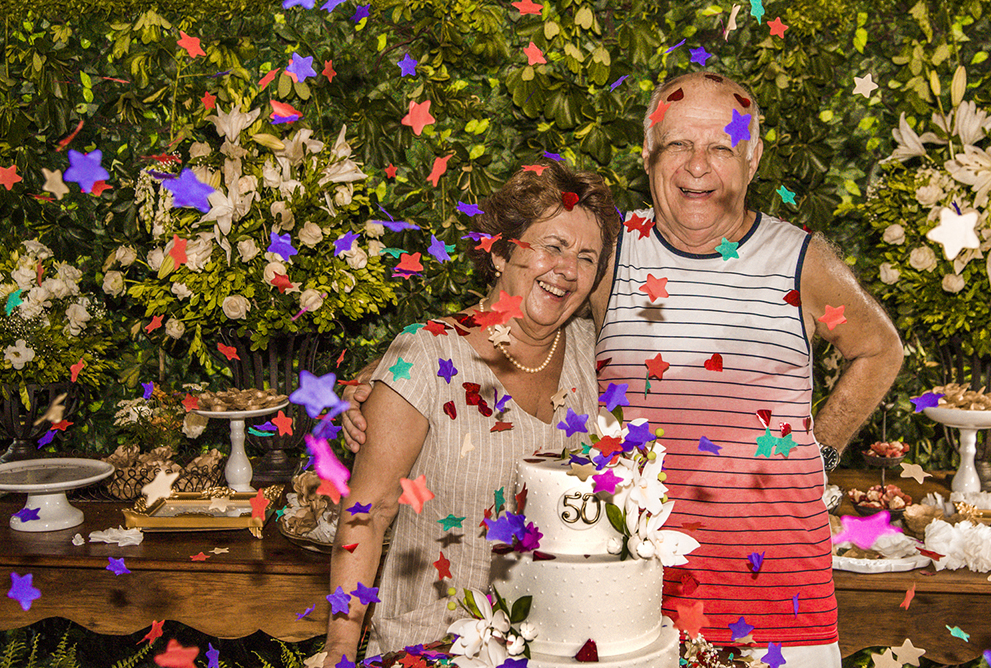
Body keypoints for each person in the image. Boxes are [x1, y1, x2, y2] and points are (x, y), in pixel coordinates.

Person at [343, 72, 903, 668]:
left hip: (782, 602)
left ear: (753, 157)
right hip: (630, 612)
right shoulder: (611, 252)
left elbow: (880, 349)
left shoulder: (801, 258)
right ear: (648, 153)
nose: (698, 166)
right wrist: (387, 380)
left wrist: (823, 453)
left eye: (721, 146)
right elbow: (514, 307)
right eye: (679, 144)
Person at [319, 161, 621, 666]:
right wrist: (339, 649)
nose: (568, 269)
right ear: (501, 251)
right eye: (552, 246)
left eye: (587, 257)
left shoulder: (595, 358)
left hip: (559, 650)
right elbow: (366, 518)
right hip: (429, 650)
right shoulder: (424, 356)